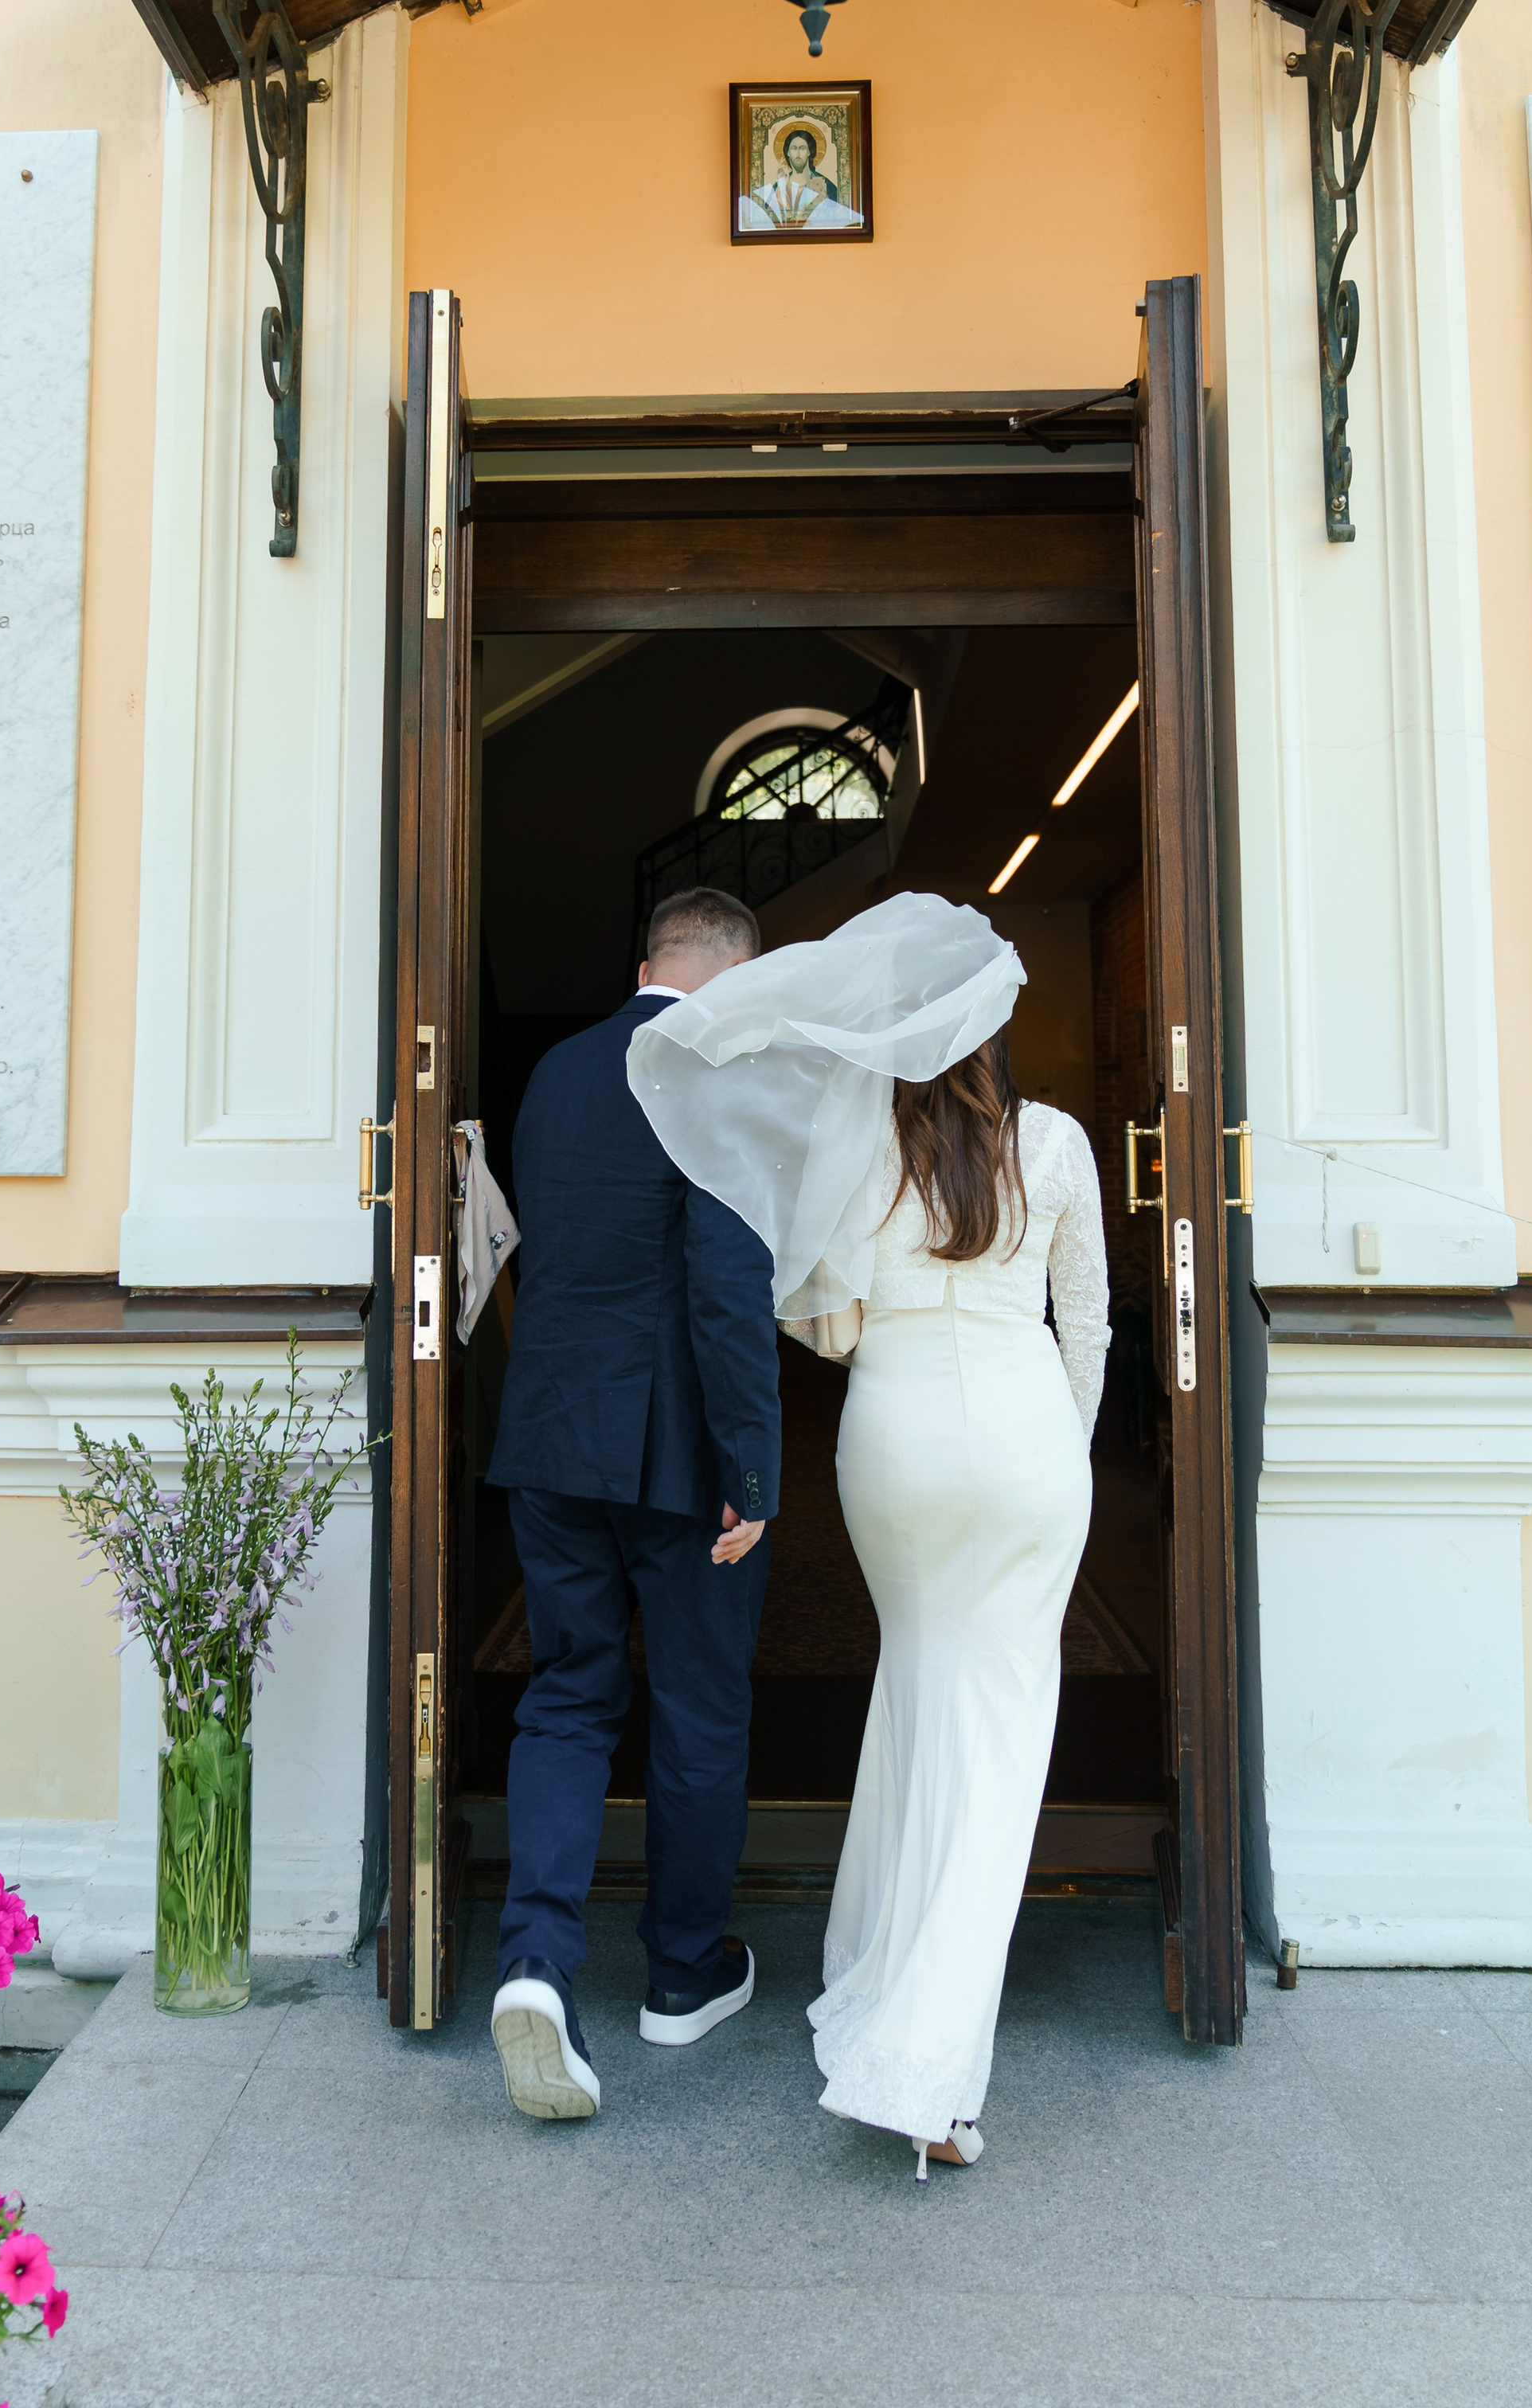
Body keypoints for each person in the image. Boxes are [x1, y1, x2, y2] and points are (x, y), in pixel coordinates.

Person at [628, 893, 1107, 2181]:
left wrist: (873, 1327)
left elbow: (828, 1329)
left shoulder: (862, 1147)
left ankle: (884, 1976)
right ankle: (924, 2071)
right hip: (1023, 1441)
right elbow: (1092, 1328)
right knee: (996, 1744)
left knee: (919, 1694)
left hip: (890, 1447)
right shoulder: (1056, 1143)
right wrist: (1060, 1455)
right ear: (996, 1026)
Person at [486, 884, 782, 2124]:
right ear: (731, 972)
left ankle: (537, 1970)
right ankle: (679, 1975)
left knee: (566, 1695)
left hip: (551, 1431)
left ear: (649, 956)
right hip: (673, 1447)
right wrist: (752, 1468)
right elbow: (725, 1283)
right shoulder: (710, 1075)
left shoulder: (554, 1070)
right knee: (697, 1705)